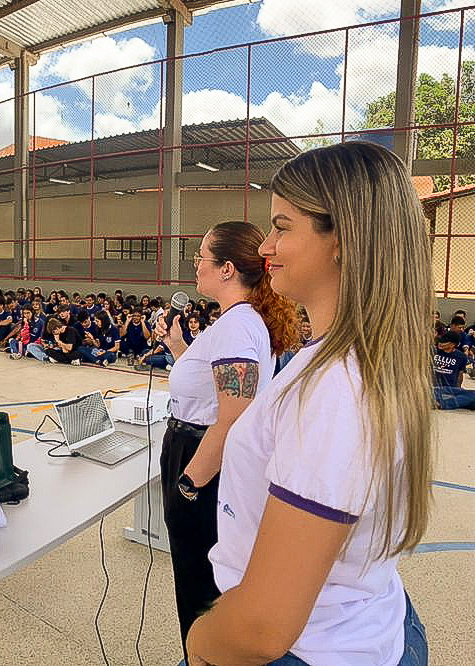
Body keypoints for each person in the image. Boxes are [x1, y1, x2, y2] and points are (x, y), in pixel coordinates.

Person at [186, 142, 432, 666]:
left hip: (310, 648)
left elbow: (264, 627)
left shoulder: (335, 389)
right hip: (363, 620)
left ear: (341, 239)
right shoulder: (355, 359)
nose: (267, 246)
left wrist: (199, 642)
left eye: (282, 226)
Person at [153, 220, 297, 658]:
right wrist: (180, 348)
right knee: (201, 573)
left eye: (201, 257)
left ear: (227, 269)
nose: (196, 265)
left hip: (201, 458)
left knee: (198, 579)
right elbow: (217, 395)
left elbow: (233, 416)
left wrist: (188, 482)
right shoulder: (238, 322)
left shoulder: (237, 326)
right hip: (199, 450)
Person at [432, 330, 475, 410]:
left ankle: (443, 402)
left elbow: (460, 375)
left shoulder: (461, 356)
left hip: (451, 389)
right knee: (470, 399)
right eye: (440, 341)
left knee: (473, 396)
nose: (440, 343)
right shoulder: (432, 351)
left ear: (453, 345)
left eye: (444, 342)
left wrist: (459, 389)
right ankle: (442, 404)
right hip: (434, 388)